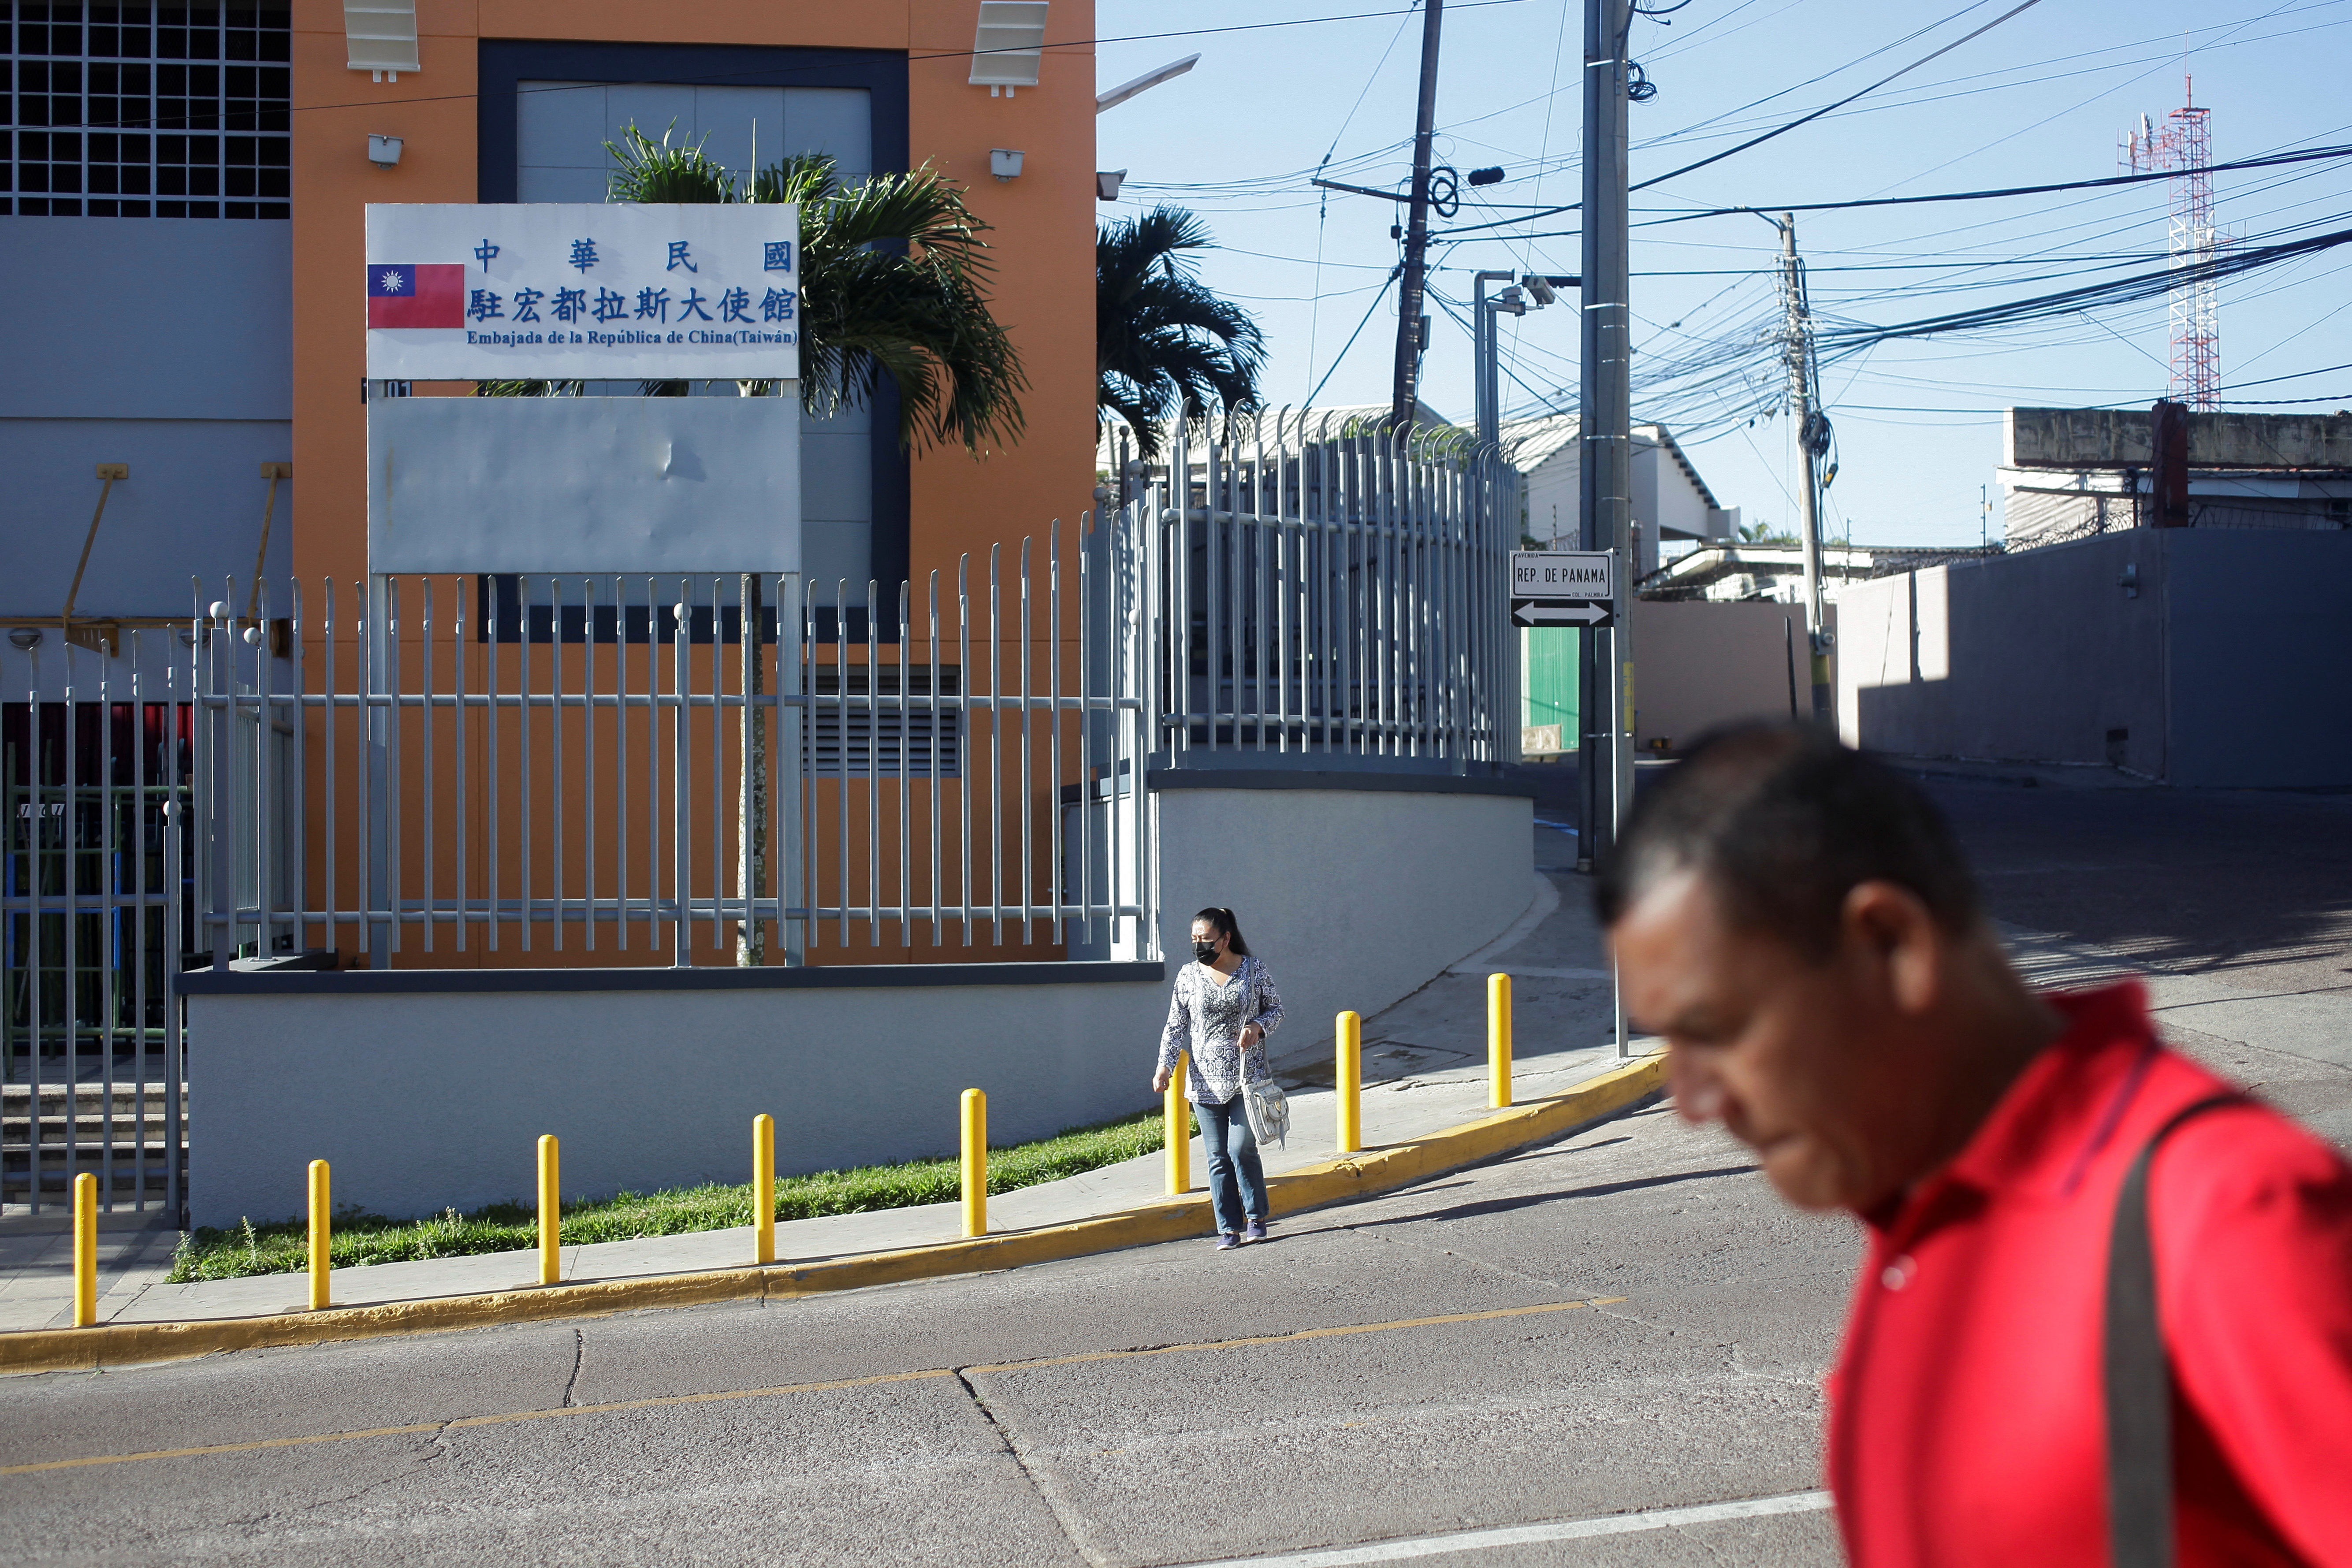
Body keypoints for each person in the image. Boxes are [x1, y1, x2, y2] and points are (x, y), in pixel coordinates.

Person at [1597, 721, 2352, 1568]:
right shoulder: (1910, 1217)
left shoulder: (2231, 1215)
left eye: (1717, 1028)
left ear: (1890, 943)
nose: (1691, 1101)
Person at [1155, 906, 1284, 1250]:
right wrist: (1164, 1066)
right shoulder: (1187, 976)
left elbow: (1277, 1009)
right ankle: (1228, 1228)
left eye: (1207, 939)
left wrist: (1257, 1027)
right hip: (1204, 1081)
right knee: (1217, 1156)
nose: (1200, 946)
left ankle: (1256, 1217)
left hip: (1247, 1077)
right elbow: (1175, 1025)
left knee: (1241, 1148)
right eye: (1195, 939)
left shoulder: (1254, 970)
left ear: (1226, 939)